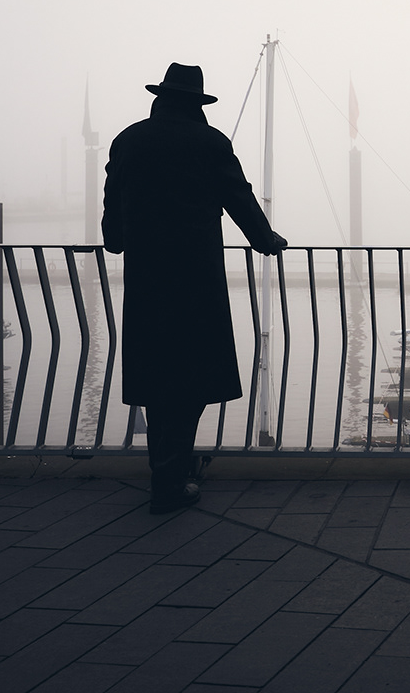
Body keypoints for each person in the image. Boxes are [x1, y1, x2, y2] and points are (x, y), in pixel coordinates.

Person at [102, 63, 286, 513]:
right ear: (196, 105)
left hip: (146, 280)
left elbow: (112, 209)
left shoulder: (128, 140)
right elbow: (238, 197)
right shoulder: (209, 143)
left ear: (160, 99)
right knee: (191, 378)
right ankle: (170, 480)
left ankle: (169, 469)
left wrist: (117, 241)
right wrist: (266, 241)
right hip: (196, 280)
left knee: (157, 376)